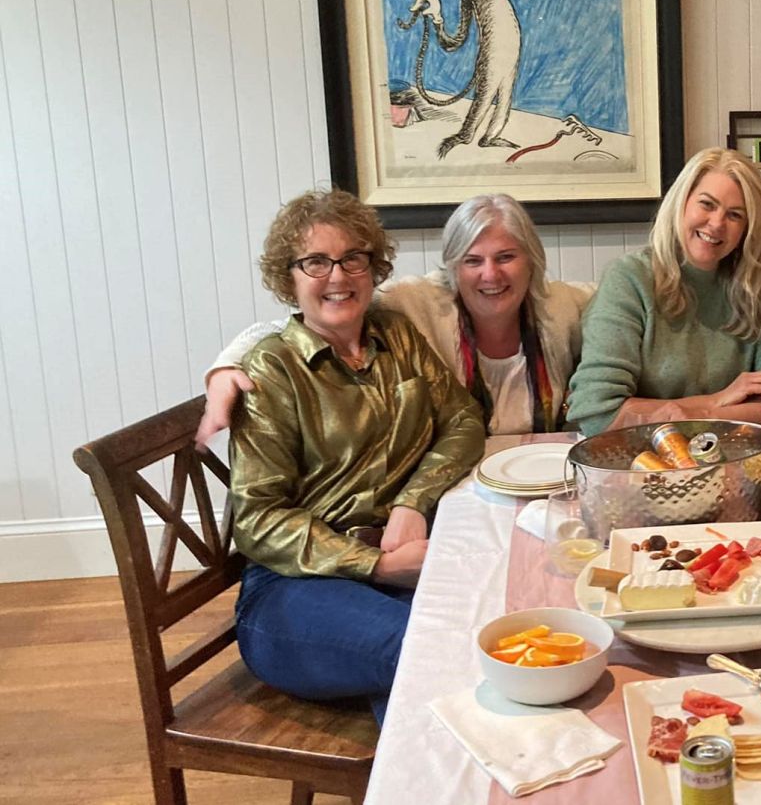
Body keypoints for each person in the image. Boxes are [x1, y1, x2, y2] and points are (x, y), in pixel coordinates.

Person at [229, 190, 485, 722]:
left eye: (353, 258)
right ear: (289, 277)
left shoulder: (395, 335)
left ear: (372, 267)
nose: (338, 276)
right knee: (434, 653)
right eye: (316, 262)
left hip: (403, 566)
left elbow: (462, 420)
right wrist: (378, 565)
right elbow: (257, 520)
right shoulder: (273, 370)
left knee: (490, 633)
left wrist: (412, 503)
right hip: (294, 589)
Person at [197, 193, 590, 444]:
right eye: (472, 261)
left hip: (546, 479)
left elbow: (631, 305)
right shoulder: (414, 302)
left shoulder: (562, 305)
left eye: (506, 257)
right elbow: (310, 321)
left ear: (532, 261)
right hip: (453, 484)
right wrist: (225, 366)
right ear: (452, 267)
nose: (490, 274)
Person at [565, 148, 761, 433]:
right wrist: (718, 401)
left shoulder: (754, 287)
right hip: (640, 459)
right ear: (681, 203)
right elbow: (598, 412)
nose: (717, 224)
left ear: (747, 229)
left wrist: (698, 411)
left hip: (730, 456)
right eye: (707, 204)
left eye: (735, 215)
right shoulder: (630, 279)